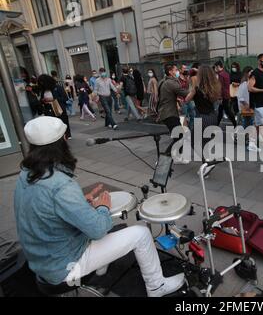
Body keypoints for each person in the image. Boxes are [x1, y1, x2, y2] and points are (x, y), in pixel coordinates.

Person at [14, 116, 185, 296]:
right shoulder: (61, 185)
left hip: (42, 262)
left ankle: (100, 268)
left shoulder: (26, 174)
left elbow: (47, 208)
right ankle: (157, 286)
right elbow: (97, 230)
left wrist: (81, 200)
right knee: (140, 234)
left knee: (93, 220)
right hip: (64, 268)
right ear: (61, 142)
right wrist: (102, 207)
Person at [189, 65, 222, 177]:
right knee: (204, 142)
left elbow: (186, 99)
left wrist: (193, 88)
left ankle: (208, 162)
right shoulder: (214, 87)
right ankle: (205, 170)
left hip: (202, 118)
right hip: (212, 117)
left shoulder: (197, 89)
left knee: (194, 142)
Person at [158, 63, 195, 161]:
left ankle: (175, 155)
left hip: (167, 112)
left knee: (178, 136)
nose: (177, 72)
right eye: (175, 70)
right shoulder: (171, 83)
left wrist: (177, 101)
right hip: (169, 113)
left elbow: (168, 95)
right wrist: (195, 91)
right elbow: (184, 92)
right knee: (180, 136)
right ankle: (167, 156)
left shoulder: (164, 81)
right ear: (170, 72)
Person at [38, 74, 72, 139]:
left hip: (59, 108)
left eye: (43, 82)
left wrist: (53, 99)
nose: (42, 84)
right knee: (53, 124)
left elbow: (65, 98)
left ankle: (67, 134)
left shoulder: (58, 87)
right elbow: (41, 100)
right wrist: (43, 101)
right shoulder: (43, 91)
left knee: (63, 122)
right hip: (49, 109)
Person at [238, 66, 258, 152]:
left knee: (247, 124)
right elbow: (241, 98)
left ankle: (243, 138)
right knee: (248, 124)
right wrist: (247, 106)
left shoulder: (250, 83)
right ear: (247, 73)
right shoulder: (244, 84)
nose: (252, 73)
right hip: (246, 108)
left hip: (250, 107)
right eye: (250, 72)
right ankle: (247, 141)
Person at [215, 61, 237, 128]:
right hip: (227, 94)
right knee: (221, 111)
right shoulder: (226, 73)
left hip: (223, 95)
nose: (215, 69)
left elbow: (220, 86)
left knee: (227, 111)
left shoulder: (221, 75)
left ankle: (235, 123)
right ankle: (217, 124)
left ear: (218, 67)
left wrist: (220, 97)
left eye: (216, 67)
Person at [179, 64, 196, 129]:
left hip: (189, 100)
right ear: (180, 70)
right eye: (183, 68)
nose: (185, 70)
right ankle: (184, 132)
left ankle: (190, 129)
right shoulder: (177, 80)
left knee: (193, 116)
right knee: (183, 117)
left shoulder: (187, 78)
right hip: (182, 101)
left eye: (186, 68)